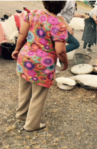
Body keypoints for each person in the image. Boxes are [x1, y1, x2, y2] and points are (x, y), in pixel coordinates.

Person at [12, 1, 69, 132]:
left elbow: (22, 34)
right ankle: (31, 124)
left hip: (25, 59)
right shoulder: (59, 25)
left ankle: (21, 114)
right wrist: (65, 62)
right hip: (43, 65)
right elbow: (60, 51)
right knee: (38, 95)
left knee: (24, 89)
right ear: (63, 6)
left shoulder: (32, 14)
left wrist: (16, 49)